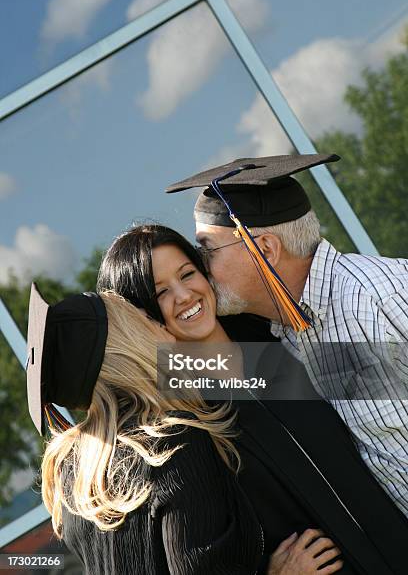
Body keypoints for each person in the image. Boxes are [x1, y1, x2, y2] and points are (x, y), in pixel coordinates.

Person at [97, 223, 408, 574]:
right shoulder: (181, 418)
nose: (184, 295)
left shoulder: (274, 340)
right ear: (142, 315)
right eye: (160, 293)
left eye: (187, 274)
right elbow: (199, 550)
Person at [26, 283, 342, 575]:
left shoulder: (72, 474)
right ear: (127, 342)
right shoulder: (169, 442)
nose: (161, 324)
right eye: (143, 319)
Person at [166, 152, 408, 520]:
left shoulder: (382, 294)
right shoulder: (283, 335)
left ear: (263, 249)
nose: (201, 267)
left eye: (208, 250)